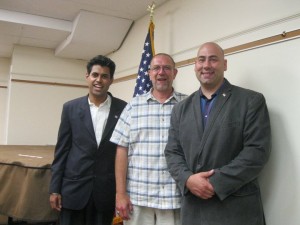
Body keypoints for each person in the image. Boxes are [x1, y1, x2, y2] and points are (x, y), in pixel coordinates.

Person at [164, 42, 271, 225]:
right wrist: (188, 179)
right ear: (195, 66)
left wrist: (214, 183)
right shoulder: (180, 109)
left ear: (225, 64)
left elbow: (256, 152)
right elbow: (173, 152)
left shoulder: (251, 101)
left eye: (213, 59)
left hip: (235, 210)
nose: (206, 65)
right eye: (201, 60)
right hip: (194, 211)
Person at [110, 53, 187, 225]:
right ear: (149, 73)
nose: (161, 72)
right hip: (137, 199)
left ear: (175, 73)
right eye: (156, 68)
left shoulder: (188, 105)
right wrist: (120, 194)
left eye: (167, 68)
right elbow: (121, 150)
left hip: (174, 198)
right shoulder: (133, 106)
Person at [49, 55, 127, 225]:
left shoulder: (123, 109)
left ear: (111, 80)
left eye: (104, 76)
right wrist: (54, 189)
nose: (99, 80)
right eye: (95, 75)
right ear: (87, 77)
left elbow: (125, 152)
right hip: (73, 191)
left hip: (105, 193)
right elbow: (62, 150)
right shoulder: (70, 108)